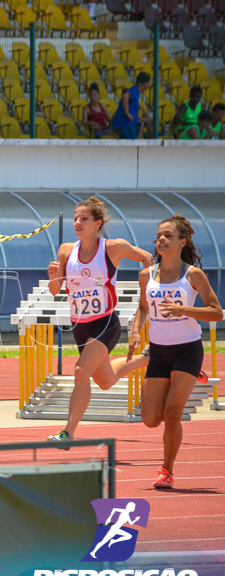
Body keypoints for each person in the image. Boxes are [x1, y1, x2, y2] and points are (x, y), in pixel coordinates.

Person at [45, 197, 153, 446]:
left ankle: (67, 434)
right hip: (80, 326)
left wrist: (147, 291)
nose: (77, 222)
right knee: (105, 381)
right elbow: (54, 290)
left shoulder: (113, 248)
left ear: (98, 223)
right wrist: (53, 276)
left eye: (84, 218)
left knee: (81, 372)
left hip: (105, 322)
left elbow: (147, 258)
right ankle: (147, 359)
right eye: (75, 218)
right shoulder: (65, 250)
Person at [129, 215, 222, 489]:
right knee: (149, 419)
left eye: (168, 235)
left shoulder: (192, 275)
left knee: (172, 413)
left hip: (187, 349)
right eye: (159, 235)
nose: (161, 240)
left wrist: (183, 310)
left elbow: (216, 312)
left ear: (182, 242)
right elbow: (144, 307)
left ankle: (166, 470)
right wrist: (135, 330)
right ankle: (194, 376)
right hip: (159, 351)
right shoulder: (147, 274)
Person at [108, 72, 152, 140]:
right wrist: (127, 113)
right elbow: (125, 96)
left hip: (126, 124)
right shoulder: (135, 90)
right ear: (145, 83)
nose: (150, 84)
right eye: (149, 82)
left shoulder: (136, 92)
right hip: (124, 124)